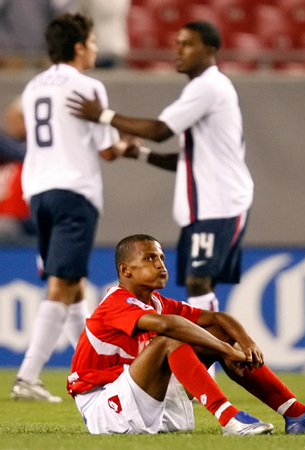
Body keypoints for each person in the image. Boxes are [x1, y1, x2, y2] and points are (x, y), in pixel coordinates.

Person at [67, 234, 305, 435]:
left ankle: (295, 413)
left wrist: (244, 342)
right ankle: (229, 418)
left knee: (215, 331)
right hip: (105, 406)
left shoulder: (155, 301)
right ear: (125, 270)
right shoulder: (115, 302)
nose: (160, 265)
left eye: (162, 257)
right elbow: (168, 327)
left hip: (143, 399)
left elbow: (218, 318)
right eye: (150, 258)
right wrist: (225, 350)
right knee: (171, 340)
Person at [67, 20, 252, 327]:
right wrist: (141, 154)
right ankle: (207, 365)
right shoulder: (206, 88)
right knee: (198, 284)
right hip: (210, 204)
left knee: (198, 281)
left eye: (187, 44)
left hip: (219, 203)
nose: (178, 50)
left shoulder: (208, 86)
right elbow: (188, 162)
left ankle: (207, 368)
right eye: (177, 43)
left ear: (209, 50)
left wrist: (103, 115)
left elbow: (159, 130)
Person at [10, 13, 138, 402]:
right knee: (63, 284)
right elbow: (106, 150)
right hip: (73, 190)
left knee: (74, 284)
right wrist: (126, 145)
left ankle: (94, 369)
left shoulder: (34, 86)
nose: (97, 48)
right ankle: (28, 377)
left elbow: (20, 127)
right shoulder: (87, 86)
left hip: (38, 191)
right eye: (94, 42)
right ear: (80, 46)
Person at [0, 98, 35, 244]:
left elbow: (20, 152)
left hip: (24, 221)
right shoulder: (7, 157)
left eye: (17, 119)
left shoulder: (37, 149)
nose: (12, 124)